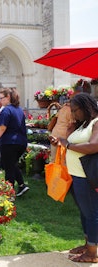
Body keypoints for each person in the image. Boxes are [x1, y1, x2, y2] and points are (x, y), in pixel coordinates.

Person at [56, 93, 98, 263]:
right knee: (84, 212)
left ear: (86, 106)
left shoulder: (96, 123)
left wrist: (69, 144)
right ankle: (88, 244)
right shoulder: (83, 124)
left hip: (86, 176)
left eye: (75, 110)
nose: (73, 114)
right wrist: (68, 134)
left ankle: (93, 252)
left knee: (92, 213)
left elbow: (94, 146)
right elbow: (71, 144)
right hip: (76, 175)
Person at [0, 87, 29, 197]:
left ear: (8, 97)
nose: (0, 101)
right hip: (21, 142)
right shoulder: (19, 109)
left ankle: (9, 194)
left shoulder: (6, 110)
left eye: (2, 98)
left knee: (9, 168)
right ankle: (21, 185)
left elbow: (2, 128)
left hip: (9, 143)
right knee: (11, 164)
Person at [49, 82, 90, 162]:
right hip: (63, 138)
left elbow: (56, 119)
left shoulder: (64, 107)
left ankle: (52, 175)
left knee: (54, 161)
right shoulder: (72, 110)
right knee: (64, 162)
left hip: (55, 135)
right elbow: (71, 126)